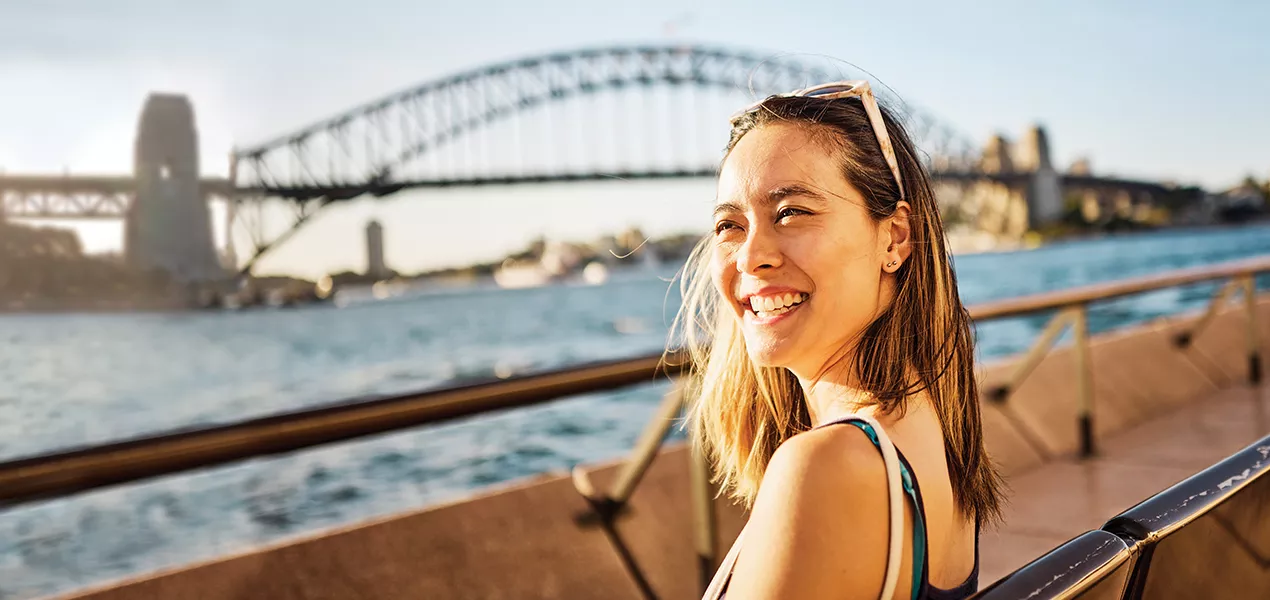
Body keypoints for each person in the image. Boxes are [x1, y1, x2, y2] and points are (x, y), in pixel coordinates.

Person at [669, 81, 1006, 600]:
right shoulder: (929, 426)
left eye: (791, 212)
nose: (751, 255)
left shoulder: (824, 469)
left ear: (894, 237)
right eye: (729, 225)